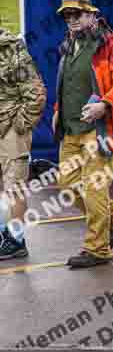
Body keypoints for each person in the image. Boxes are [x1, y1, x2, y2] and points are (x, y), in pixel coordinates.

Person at [53, 0, 113, 268]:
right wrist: (57, 111)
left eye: (76, 14)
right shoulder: (68, 43)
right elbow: (68, 84)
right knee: (67, 185)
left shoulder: (109, 43)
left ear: (92, 14)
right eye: (67, 15)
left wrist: (104, 103)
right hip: (71, 129)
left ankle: (96, 248)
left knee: (93, 188)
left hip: (101, 130)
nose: (71, 19)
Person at [0, 27, 46, 260]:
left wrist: (20, 126)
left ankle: (17, 241)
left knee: (14, 187)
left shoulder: (11, 50)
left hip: (11, 130)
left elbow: (36, 93)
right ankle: (3, 237)